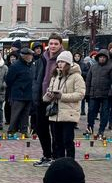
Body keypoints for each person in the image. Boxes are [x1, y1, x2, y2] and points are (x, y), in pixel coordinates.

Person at [43, 51, 85, 159]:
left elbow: (80, 94)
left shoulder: (76, 77)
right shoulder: (55, 76)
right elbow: (49, 92)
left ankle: (70, 162)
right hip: (55, 114)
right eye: (59, 62)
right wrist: (48, 95)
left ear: (68, 63)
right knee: (57, 141)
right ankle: (59, 162)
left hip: (68, 114)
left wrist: (62, 96)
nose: (60, 64)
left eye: (63, 62)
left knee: (67, 141)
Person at [33, 34, 64, 167]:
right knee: (41, 128)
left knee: (56, 130)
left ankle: (56, 157)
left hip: (56, 100)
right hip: (42, 98)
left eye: (56, 44)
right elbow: (37, 78)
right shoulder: (42, 58)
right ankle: (47, 155)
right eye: (51, 43)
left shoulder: (64, 58)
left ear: (60, 45)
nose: (53, 46)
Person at [6, 48, 34, 135]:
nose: (31, 57)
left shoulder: (31, 65)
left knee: (25, 115)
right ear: (24, 56)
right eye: (30, 55)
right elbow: (8, 80)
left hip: (29, 94)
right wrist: (18, 88)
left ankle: (24, 131)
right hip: (18, 94)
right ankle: (11, 131)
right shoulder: (15, 66)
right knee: (16, 114)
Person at [85, 49, 112, 138]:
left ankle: (101, 130)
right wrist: (87, 93)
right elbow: (88, 80)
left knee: (104, 113)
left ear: (107, 58)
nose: (102, 59)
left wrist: (110, 93)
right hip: (93, 94)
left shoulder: (110, 66)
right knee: (91, 112)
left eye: (104, 57)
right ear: (97, 57)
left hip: (106, 95)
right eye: (100, 57)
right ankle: (90, 128)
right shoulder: (93, 67)